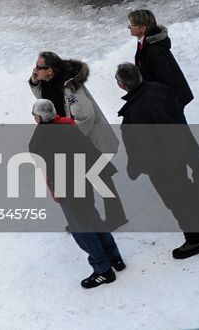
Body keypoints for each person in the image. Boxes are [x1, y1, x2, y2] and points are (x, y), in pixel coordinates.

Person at [116, 63, 199, 259]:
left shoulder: (135, 111)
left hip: (162, 166)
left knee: (177, 202)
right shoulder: (159, 89)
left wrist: (143, 167)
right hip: (179, 152)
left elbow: (142, 147)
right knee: (188, 191)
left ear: (122, 85)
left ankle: (196, 240)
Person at [30, 98, 125, 288]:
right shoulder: (68, 126)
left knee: (81, 227)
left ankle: (102, 270)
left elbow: (36, 153)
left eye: (34, 115)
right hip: (84, 180)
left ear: (40, 117)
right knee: (93, 218)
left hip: (67, 185)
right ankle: (114, 257)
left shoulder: (44, 136)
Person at [31, 52, 127, 229]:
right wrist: (35, 81)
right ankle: (87, 218)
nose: (34, 70)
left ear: (50, 70)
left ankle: (115, 216)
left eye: (38, 67)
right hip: (71, 138)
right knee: (82, 179)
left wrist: (70, 134)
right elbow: (42, 97)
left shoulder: (71, 88)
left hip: (86, 140)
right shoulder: (48, 82)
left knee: (99, 178)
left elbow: (86, 116)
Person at [129, 8, 199, 197]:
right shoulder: (145, 44)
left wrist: (164, 107)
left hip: (169, 107)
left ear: (143, 28)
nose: (129, 27)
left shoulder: (152, 51)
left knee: (187, 146)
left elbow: (166, 81)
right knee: (185, 144)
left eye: (133, 25)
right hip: (165, 105)